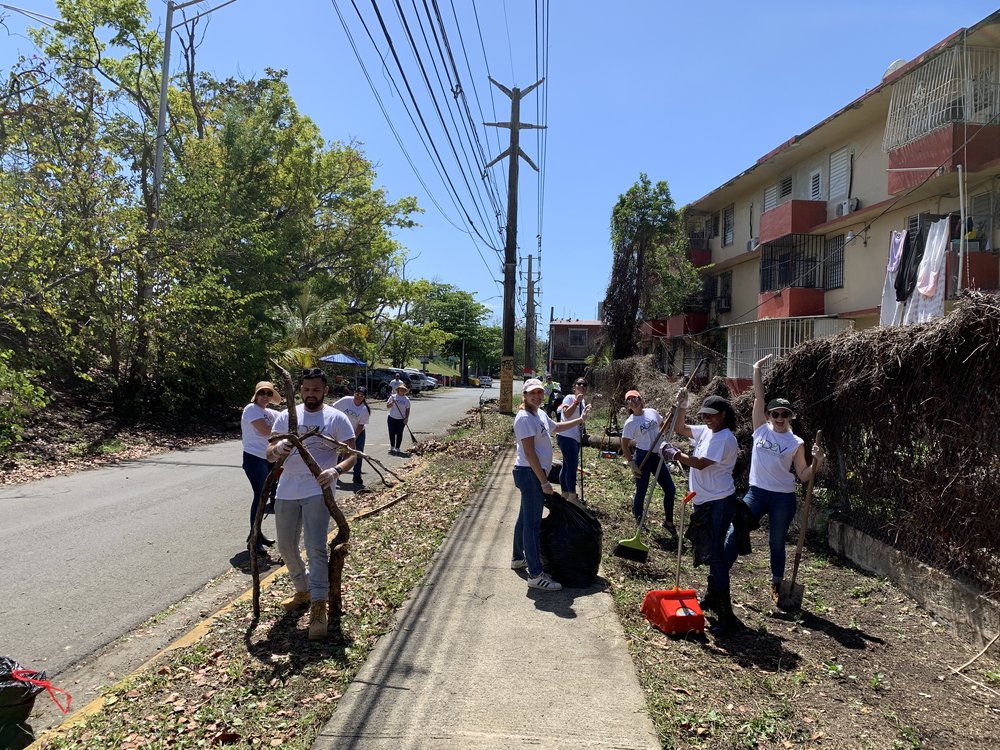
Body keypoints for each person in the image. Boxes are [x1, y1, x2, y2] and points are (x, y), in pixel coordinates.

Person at [724, 355, 825, 603]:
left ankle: (777, 584)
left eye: (785, 414)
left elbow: (803, 476)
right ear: (768, 415)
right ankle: (719, 575)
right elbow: (759, 397)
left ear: (791, 417)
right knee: (737, 530)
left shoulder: (796, 442)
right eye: (775, 413)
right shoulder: (760, 428)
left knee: (776, 542)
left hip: (783, 498)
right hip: (757, 493)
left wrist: (818, 462)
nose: (779, 418)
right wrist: (757, 370)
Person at [267, 367, 357, 640]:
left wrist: (336, 471)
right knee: (285, 545)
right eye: (306, 390)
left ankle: (319, 604)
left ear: (325, 391)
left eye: (316, 390)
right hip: (287, 489)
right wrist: (279, 449)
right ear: (300, 390)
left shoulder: (336, 418)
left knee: (315, 546)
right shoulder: (287, 416)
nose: (310, 395)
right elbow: (269, 454)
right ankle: (302, 588)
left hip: (318, 489)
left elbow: (351, 453)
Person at [661, 393, 740, 635]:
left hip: (719, 502)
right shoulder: (707, 431)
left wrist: (674, 454)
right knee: (709, 552)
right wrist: (682, 405)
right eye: (704, 414)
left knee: (715, 555)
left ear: (723, 415)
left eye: (712, 415)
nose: (707, 419)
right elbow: (680, 427)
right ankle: (713, 598)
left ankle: (726, 616)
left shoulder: (724, 437)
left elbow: (699, 463)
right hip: (704, 500)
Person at [511, 378, 591, 592]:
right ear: (525, 395)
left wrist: (580, 420)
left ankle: (518, 558)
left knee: (524, 518)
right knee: (533, 524)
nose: (537, 396)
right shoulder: (524, 418)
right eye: (532, 393)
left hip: (533, 474)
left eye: (539, 393)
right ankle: (535, 574)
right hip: (530, 474)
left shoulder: (539, 414)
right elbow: (529, 453)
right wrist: (544, 482)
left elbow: (557, 427)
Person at [620, 390, 677, 536]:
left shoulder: (652, 412)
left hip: (657, 456)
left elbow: (662, 425)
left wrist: (671, 415)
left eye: (636, 398)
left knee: (670, 489)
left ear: (641, 399)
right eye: (629, 400)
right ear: (628, 405)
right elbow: (624, 444)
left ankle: (668, 522)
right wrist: (631, 462)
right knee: (642, 490)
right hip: (642, 457)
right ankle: (639, 520)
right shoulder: (630, 423)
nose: (633, 402)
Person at [241, 381, 280, 555]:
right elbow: (265, 430)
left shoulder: (271, 412)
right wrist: (283, 431)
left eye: (269, 393)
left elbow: (289, 418)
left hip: (269, 458)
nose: (265, 396)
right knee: (260, 496)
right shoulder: (251, 409)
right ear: (256, 395)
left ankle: (258, 533)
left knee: (265, 498)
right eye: (262, 393)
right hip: (254, 458)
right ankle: (254, 538)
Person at [556, 378, 589, 505]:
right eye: (579, 384)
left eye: (584, 385)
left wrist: (585, 412)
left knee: (566, 466)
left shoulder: (583, 401)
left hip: (575, 437)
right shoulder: (569, 398)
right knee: (572, 467)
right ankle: (572, 496)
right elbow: (567, 414)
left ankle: (564, 494)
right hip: (565, 435)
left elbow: (580, 420)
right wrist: (576, 401)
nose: (582, 386)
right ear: (574, 386)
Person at [333, 385, 371, 484]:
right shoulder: (345, 400)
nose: (358, 397)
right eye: (357, 394)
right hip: (342, 432)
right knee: (339, 452)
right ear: (354, 393)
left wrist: (352, 440)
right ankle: (335, 473)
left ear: (364, 398)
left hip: (358, 433)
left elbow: (360, 426)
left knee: (356, 453)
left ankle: (357, 475)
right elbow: (333, 409)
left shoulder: (364, 409)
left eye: (361, 396)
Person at [386, 383, 411, 455]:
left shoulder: (406, 400)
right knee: (392, 432)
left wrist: (406, 418)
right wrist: (392, 403)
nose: (402, 390)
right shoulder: (393, 397)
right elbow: (388, 406)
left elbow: (407, 410)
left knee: (399, 433)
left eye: (403, 389)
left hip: (401, 419)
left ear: (405, 391)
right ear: (398, 390)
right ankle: (392, 446)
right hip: (391, 418)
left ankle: (397, 447)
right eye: (401, 389)